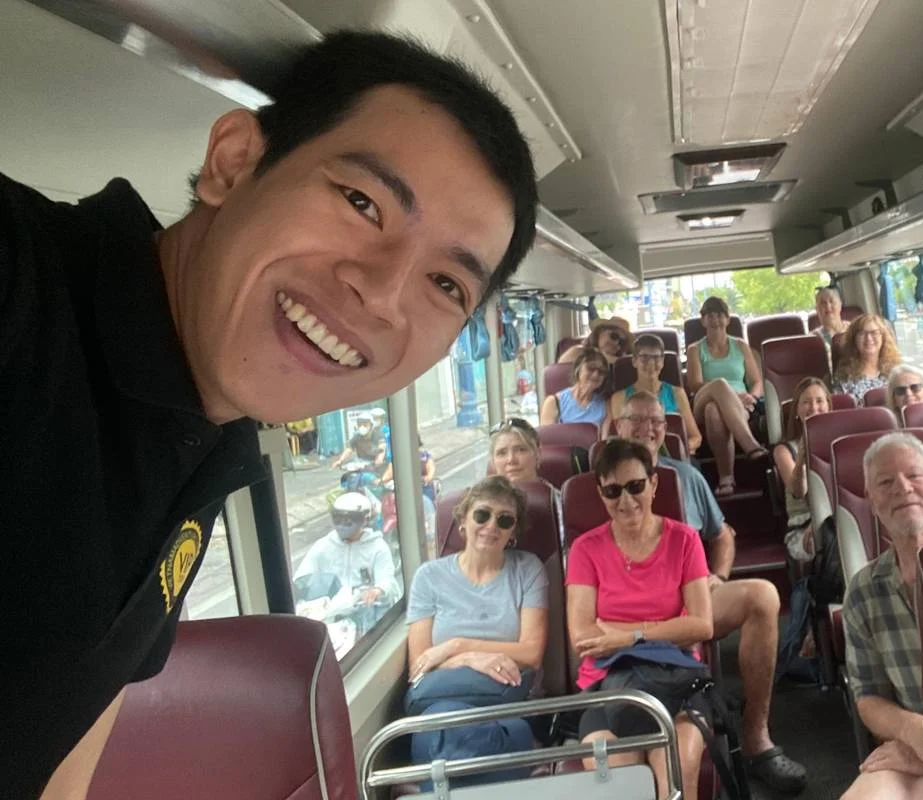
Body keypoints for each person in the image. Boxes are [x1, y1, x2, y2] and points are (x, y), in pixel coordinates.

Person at [1, 29, 540, 796]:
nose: (381, 294)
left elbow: (70, 730)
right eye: (362, 203)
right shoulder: (23, 290)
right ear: (233, 162)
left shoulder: (209, 446)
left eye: (447, 285)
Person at [614, 392, 810, 793]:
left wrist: (717, 575)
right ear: (619, 426)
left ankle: (756, 737)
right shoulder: (600, 485)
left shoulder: (686, 477)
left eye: (656, 421)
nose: (648, 429)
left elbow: (722, 536)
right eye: (637, 420)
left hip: (689, 597)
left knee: (763, 596)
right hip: (625, 608)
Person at [565, 439, 714, 800]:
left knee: (677, 769)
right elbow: (583, 637)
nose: (626, 500)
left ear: (654, 484)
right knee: (621, 781)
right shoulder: (585, 549)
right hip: (607, 684)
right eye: (613, 491)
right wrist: (668, 629)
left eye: (635, 486)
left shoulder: (685, 540)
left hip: (677, 680)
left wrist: (626, 636)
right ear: (601, 494)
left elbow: (701, 625)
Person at [841, 433, 923, 800]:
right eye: (885, 482)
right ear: (871, 501)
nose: (902, 488)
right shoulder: (863, 592)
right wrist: (913, 731)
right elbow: (868, 696)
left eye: (914, 475)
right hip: (918, 755)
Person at [405, 476, 547, 787]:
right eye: (482, 515)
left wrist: (457, 646)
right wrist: (468, 658)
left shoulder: (528, 569)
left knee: (445, 758)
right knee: (454, 735)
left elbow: (531, 653)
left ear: (513, 532)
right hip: (440, 708)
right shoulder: (428, 577)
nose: (491, 526)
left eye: (504, 520)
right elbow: (418, 665)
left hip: (505, 705)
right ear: (463, 520)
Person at [684, 296, 767, 496]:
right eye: (710, 315)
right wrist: (732, 394)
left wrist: (752, 397)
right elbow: (695, 385)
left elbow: (757, 382)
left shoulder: (740, 346)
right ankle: (751, 446)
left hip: (740, 405)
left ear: (728, 319)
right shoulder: (695, 349)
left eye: (720, 314)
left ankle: (726, 479)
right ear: (703, 320)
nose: (715, 319)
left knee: (714, 411)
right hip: (703, 400)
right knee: (719, 384)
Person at [293, 492, 401, 636]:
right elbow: (302, 577)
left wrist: (377, 590)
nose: (342, 525)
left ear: (364, 520)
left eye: (349, 520)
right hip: (331, 616)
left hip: (365, 618)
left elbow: (387, 580)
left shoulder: (378, 548)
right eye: (338, 519)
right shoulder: (323, 546)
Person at [608, 333, 701, 452]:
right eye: (644, 357)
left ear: (662, 362)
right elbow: (621, 437)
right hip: (635, 455)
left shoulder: (677, 393)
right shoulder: (620, 397)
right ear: (634, 361)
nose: (651, 363)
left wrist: (682, 449)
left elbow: (696, 437)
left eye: (656, 358)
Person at [774, 378, 832, 563]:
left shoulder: (842, 444)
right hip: (803, 528)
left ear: (828, 406)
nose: (814, 407)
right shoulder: (784, 450)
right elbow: (799, 491)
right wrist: (801, 460)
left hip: (837, 520)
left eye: (819, 401)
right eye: (806, 402)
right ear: (797, 411)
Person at [833, 313, 901, 403]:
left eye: (874, 332)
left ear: (883, 337)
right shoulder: (844, 375)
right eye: (862, 333)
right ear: (854, 340)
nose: (868, 338)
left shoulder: (896, 371)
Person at [540, 346, 609, 427]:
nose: (596, 375)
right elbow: (547, 434)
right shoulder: (553, 402)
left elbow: (604, 435)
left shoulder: (606, 405)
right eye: (591, 368)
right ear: (578, 369)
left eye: (601, 371)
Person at [559, 315, 633, 365]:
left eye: (621, 343)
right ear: (600, 331)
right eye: (614, 336)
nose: (616, 343)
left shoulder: (621, 362)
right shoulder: (577, 351)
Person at [814, 285, 850, 360]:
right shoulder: (813, 338)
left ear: (840, 305)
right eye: (823, 303)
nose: (828, 306)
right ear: (817, 309)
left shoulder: (854, 329)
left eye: (832, 301)